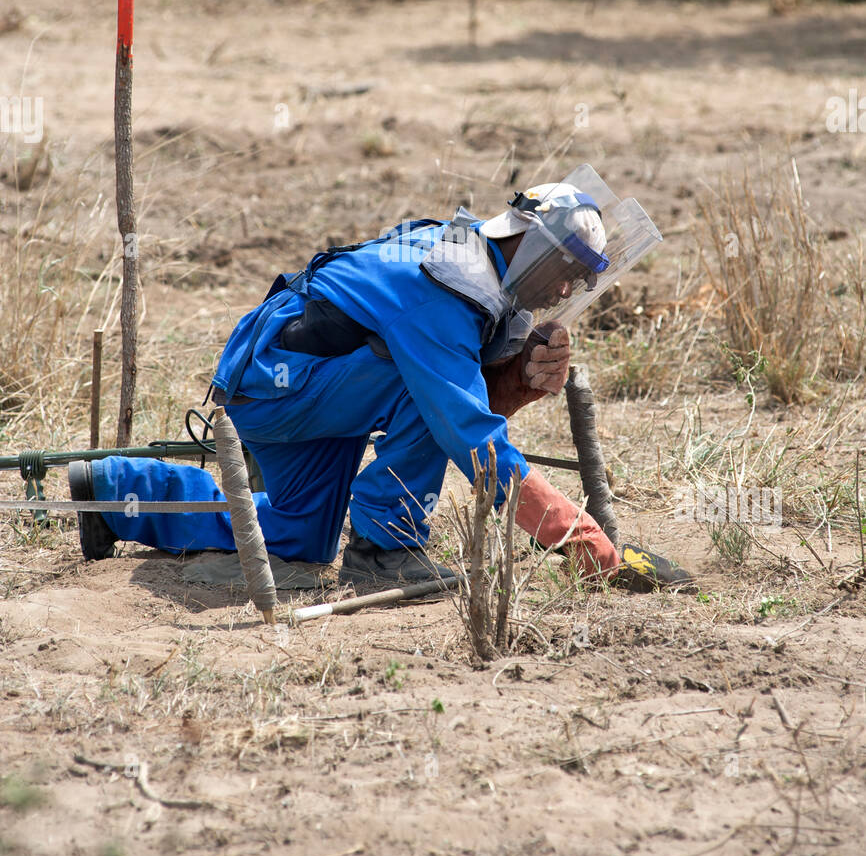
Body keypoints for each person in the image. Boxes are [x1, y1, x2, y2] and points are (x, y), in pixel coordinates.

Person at [71, 180, 691, 593]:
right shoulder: (446, 288)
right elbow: (469, 436)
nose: (565, 291)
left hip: (288, 389)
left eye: (580, 280)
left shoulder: (473, 262)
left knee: (294, 541)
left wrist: (519, 380)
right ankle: (384, 549)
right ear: (526, 238)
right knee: (432, 393)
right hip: (280, 388)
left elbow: (464, 398)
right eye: (566, 270)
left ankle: (114, 491)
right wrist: (593, 551)